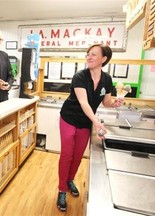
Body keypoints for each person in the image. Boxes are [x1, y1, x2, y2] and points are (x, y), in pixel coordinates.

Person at [57, 44, 123, 211]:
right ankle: (62, 189)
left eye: (93, 54)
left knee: (78, 155)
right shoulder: (80, 76)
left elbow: (106, 102)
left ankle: (70, 180)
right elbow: (84, 103)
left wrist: (115, 104)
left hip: (86, 122)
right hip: (69, 118)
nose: (89, 57)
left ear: (104, 59)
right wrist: (97, 121)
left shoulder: (107, 79)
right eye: (88, 54)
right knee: (67, 154)